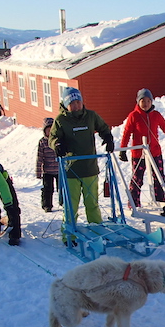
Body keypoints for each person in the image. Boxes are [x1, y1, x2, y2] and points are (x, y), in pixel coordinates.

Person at [49, 87, 114, 244]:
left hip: (90, 168)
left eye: (78, 102)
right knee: (71, 206)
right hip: (71, 170)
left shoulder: (90, 116)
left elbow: (103, 127)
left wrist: (108, 137)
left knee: (92, 204)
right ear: (66, 104)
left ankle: (97, 232)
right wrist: (57, 144)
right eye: (72, 103)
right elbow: (52, 138)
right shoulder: (60, 120)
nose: (76, 106)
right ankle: (68, 236)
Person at [119, 88, 165, 208]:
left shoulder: (156, 115)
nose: (145, 104)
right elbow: (126, 133)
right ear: (138, 102)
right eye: (142, 101)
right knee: (137, 179)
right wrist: (123, 150)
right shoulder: (134, 116)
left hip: (155, 152)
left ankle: (161, 202)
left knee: (159, 179)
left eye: (148, 101)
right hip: (139, 154)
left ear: (151, 102)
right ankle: (133, 203)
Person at [36, 117, 62, 212]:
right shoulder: (42, 142)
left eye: (52, 129)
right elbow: (39, 158)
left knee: (62, 188)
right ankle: (47, 205)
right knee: (47, 189)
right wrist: (38, 172)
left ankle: (63, 202)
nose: (50, 132)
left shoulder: (59, 141)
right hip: (47, 171)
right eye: (48, 130)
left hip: (60, 170)